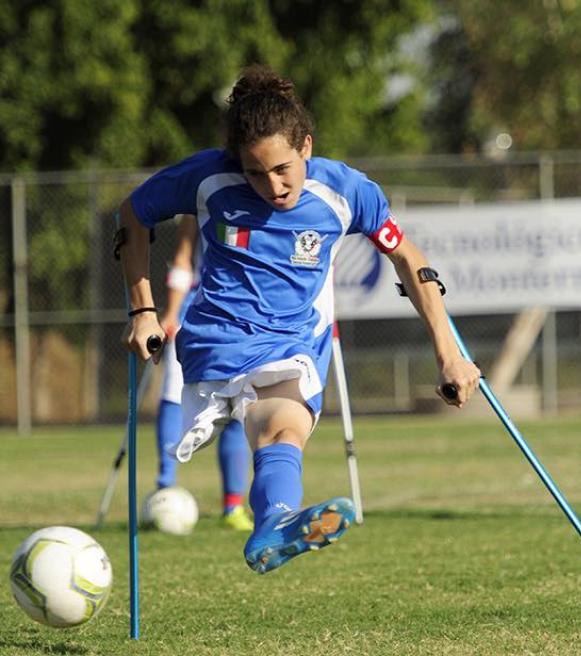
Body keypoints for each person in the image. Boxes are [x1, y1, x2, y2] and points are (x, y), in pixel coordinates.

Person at [117, 64, 480, 575]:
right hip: (219, 334)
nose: (272, 185)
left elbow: (408, 258)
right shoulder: (206, 176)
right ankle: (275, 517)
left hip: (293, 342)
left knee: (283, 433)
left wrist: (450, 356)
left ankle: (275, 524)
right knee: (279, 425)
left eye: (283, 168)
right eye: (255, 172)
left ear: (306, 146)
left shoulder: (347, 192)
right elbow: (133, 213)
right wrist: (142, 310)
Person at [155, 214, 253, 532]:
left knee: (239, 408)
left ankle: (233, 505)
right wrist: (170, 313)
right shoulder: (203, 197)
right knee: (173, 395)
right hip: (194, 314)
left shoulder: (266, 201)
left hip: (246, 321)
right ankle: (164, 491)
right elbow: (183, 258)